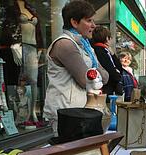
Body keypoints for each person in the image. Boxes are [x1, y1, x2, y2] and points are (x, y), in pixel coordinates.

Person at [43, 0, 108, 134]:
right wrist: (95, 74)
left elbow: (106, 77)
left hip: (80, 112)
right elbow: (86, 81)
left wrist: (94, 75)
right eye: (89, 20)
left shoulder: (86, 45)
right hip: (67, 114)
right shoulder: (65, 44)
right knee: (70, 154)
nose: (94, 25)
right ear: (74, 22)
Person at [16, 0, 44, 122]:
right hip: (20, 47)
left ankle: (32, 111)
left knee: (33, 80)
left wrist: (40, 49)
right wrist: (14, 44)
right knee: (21, 80)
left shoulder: (30, 8)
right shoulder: (12, 8)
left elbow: (38, 31)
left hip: (33, 48)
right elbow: (11, 28)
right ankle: (21, 114)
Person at [91, 26, 123, 99]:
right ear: (106, 38)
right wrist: (118, 76)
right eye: (110, 37)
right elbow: (111, 70)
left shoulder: (105, 50)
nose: (111, 40)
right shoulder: (100, 51)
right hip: (105, 89)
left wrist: (112, 53)